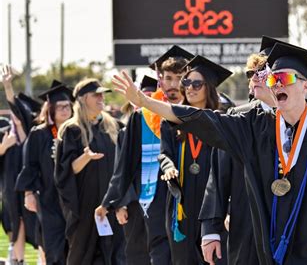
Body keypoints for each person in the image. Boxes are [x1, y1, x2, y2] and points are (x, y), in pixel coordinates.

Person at [114, 40, 307, 264]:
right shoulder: (251, 124)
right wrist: (145, 102)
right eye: (272, 78)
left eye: (285, 78)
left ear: (305, 86)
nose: (276, 83)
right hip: (266, 244)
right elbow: (200, 120)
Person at [95, 45, 193, 265]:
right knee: (158, 253)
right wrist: (114, 201)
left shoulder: (198, 114)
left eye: (180, 78)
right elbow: (125, 163)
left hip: (191, 194)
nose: (174, 85)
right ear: (160, 79)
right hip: (155, 196)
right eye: (168, 78)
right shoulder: (142, 117)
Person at [199, 39, 277, 265]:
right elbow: (219, 175)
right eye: (251, 73)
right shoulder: (239, 117)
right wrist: (211, 228)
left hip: (294, 223)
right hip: (247, 222)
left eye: (262, 71)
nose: (254, 77)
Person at [158, 55, 232, 265]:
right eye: (187, 82)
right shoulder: (172, 122)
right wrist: (169, 167)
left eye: (197, 83)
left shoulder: (223, 121)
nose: (190, 88)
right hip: (183, 202)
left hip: (213, 204)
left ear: (208, 87)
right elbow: (164, 153)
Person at [55, 78, 125, 265]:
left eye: (102, 94)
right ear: (84, 99)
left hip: (112, 203)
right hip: (85, 207)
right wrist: (86, 157)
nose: (102, 98)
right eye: (96, 95)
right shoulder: (72, 130)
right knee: (84, 255)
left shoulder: (114, 127)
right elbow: (65, 171)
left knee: (116, 254)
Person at [15, 80, 73, 264]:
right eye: (61, 106)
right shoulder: (39, 134)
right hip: (49, 199)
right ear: (51, 109)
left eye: (68, 106)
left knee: (75, 247)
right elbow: (29, 165)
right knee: (53, 247)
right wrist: (29, 193)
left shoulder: (77, 132)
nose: (65, 110)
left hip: (74, 199)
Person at [1, 65, 39, 264]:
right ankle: (18, 260)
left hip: (29, 188)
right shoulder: (6, 135)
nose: (13, 117)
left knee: (35, 225)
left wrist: (8, 87)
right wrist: (3, 147)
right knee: (16, 223)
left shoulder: (33, 137)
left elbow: (14, 104)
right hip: (10, 188)